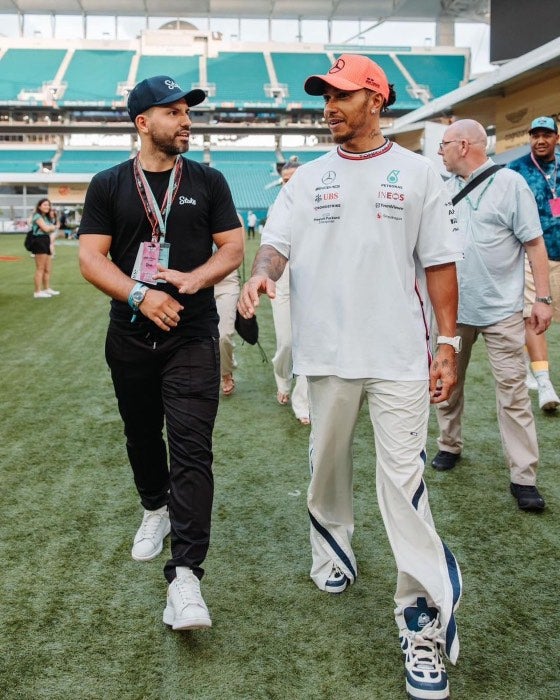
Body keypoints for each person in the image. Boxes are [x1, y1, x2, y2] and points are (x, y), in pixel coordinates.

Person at [238, 54, 463, 700]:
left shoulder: (419, 174)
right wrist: (265, 274)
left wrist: (446, 343)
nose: (328, 106)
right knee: (326, 466)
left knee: (405, 484)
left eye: (341, 95)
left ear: (377, 98)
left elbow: (441, 263)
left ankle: (421, 619)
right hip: (326, 354)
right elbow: (276, 243)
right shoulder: (305, 180)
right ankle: (334, 549)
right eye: (324, 97)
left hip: (399, 358)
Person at [78, 75, 244, 631]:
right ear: (142, 122)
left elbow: (234, 246)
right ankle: (155, 506)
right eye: (172, 112)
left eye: (187, 111)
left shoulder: (209, 180)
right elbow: (91, 259)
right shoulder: (107, 185)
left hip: (194, 334)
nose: (186, 120)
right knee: (142, 434)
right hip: (130, 332)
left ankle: (187, 576)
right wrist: (141, 294)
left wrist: (195, 280)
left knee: (193, 448)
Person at [432, 118, 551, 514]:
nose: (439, 150)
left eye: (444, 143)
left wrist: (543, 299)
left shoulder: (511, 184)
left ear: (464, 145)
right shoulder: (441, 186)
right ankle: (449, 444)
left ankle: (524, 476)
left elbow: (535, 244)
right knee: (449, 383)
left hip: (502, 310)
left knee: (514, 394)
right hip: (453, 311)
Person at [508, 116, 560, 411]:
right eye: (535, 135)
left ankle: (533, 366)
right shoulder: (516, 170)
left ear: (556, 138)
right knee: (533, 316)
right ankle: (544, 383)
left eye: (546, 135)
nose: (540, 140)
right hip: (531, 255)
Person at [270, 157, 310, 424]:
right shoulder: (277, 208)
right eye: (286, 181)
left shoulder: (319, 206)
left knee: (309, 344)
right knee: (286, 342)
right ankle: (282, 380)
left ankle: (302, 402)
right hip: (282, 281)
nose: (290, 185)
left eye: (294, 180)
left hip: (312, 282)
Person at [214, 214, 246, 396]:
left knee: (224, 335)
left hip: (227, 281)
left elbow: (240, 254)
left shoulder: (235, 217)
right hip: (197, 280)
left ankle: (226, 372)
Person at [30, 198, 60, 298]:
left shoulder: (45, 217)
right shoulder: (37, 216)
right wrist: (52, 227)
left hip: (45, 240)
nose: (47, 207)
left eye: (48, 205)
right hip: (39, 241)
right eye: (45, 205)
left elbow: (51, 228)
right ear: (39, 206)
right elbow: (47, 228)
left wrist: (51, 227)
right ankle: (37, 292)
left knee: (47, 268)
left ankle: (46, 288)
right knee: (40, 268)